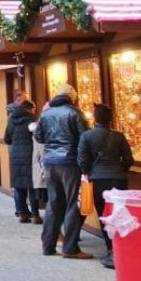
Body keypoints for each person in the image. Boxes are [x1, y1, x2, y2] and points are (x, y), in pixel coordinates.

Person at [34, 83, 91, 259]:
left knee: (54, 202)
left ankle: (48, 245)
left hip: (50, 161)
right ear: (71, 97)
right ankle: (70, 247)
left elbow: (38, 136)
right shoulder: (75, 113)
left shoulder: (46, 114)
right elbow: (85, 138)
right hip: (70, 161)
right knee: (73, 203)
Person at [78, 103, 134, 268]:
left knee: (104, 214)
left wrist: (87, 172)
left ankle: (111, 249)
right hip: (118, 179)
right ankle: (121, 247)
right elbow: (129, 159)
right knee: (120, 214)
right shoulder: (119, 136)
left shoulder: (87, 136)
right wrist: (119, 169)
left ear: (95, 118)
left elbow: (82, 159)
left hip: (98, 179)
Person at [4, 99, 40, 223]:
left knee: (18, 186)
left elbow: (7, 139)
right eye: (34, 109)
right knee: (33, 186)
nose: (35, 111)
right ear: (29, 109)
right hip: (30, 155)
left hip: (15, 157)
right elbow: (38, 138)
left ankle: (22, 214)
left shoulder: (11, 121)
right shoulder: (32, 121)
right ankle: (35, 214)